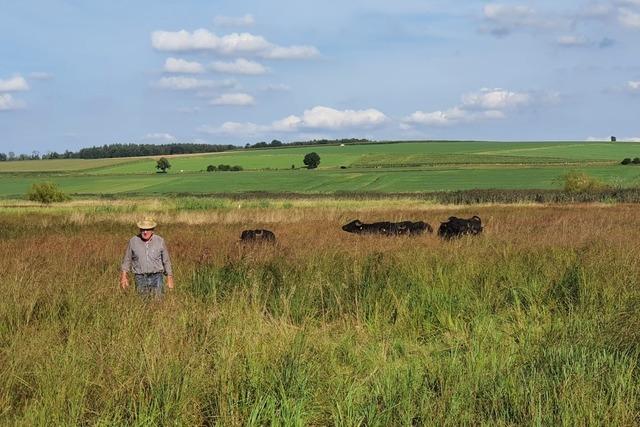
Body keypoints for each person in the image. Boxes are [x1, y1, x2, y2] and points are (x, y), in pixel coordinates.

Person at [120, 217, 174, 297]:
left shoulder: (160, 241)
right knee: (143, 302)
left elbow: (166, 261)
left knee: (158, 301)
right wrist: (124, 277)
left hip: (157, 276)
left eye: (148, 229)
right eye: (142, 229)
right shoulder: (133, 241)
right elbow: (127, 260)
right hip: (140, 277)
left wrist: (169, 277)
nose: (145, 232)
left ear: (152, 230)